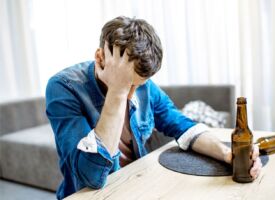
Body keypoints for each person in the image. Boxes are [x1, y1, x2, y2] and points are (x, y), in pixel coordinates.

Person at [46, 16, 262, 200]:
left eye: (136, 85)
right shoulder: (63, 88)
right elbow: (90, 178)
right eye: (126, 84)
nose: (133, 94)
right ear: (101, 58)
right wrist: (117, 92)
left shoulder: (144, 86)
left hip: (134, 185)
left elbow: (182, 126)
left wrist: (226, 154)